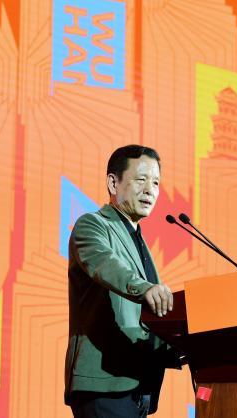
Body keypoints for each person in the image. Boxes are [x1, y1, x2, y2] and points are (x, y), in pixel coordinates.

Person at [64, 145, 181, 417]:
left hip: (137, 388)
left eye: (156, 183)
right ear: (113, 183)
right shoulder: (92, 225)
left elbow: (142, 321)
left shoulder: (137, 240)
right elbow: (105, 264)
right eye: (141, 180)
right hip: (104, 384)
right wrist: (145, 288)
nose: (150, 190)